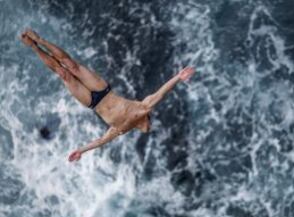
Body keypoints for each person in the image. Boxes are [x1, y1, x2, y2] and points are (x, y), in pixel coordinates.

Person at [20, 29, 195, 162]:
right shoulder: (143, 108)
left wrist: (81, 150)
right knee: (70, 65)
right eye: (149, 126)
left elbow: (101, 141)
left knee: (62, 72)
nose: (148, 129)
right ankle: (40, 39)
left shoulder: (122, 129)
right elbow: (161, 93)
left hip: (91, 103)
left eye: (147, 130)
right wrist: (178, 77)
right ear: (147, 120)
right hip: (102, 89)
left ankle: (34, 47)